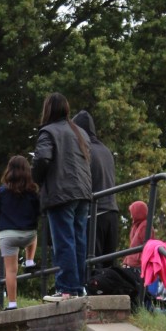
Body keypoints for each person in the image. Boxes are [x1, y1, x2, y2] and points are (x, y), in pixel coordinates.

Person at [32, 93, 93, 298]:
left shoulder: (48, 131)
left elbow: (42, 159)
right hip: (83, 192)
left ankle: (66, 288)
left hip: (60, 192)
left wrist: (37, 179)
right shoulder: (81, 133)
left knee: (64, 241)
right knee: (79, 240)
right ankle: (78, 287)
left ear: (48, 109)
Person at [0, 155, 40, 308]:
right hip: (28, 233)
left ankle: (12, 303)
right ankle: (29, 260)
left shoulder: (1, 192)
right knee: (34, 235)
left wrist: (3, 221)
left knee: (10, 270)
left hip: (8, 235)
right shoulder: (32, 191)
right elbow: (39, 211)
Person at [73, 110, 120, 259]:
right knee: (108, 267)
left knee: (91, 266)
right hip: (112, 213)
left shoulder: (84, 150)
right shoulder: (106, 150)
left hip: (94, 215)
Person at [123, 200, 149, 269]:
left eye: (132, 213)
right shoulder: (135, 227)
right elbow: (132, 247)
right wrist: (125, 262)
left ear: (138, 213)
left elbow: (146, 249)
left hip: (138, 266)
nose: (131, 216)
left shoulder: (145, 226)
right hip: (131, 264)